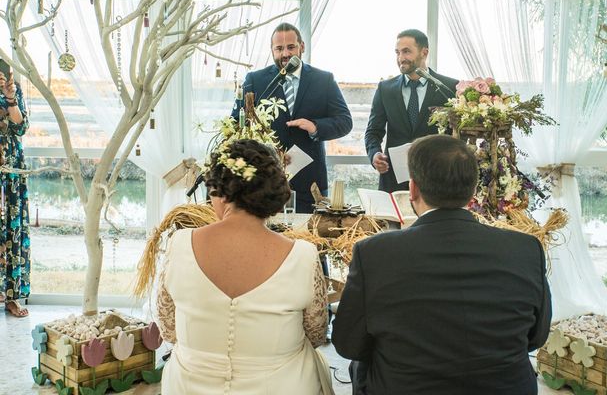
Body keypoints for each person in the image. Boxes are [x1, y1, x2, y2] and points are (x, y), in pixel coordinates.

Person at [332, 134, 551, 395]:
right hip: (505, 387)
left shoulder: (374, 253)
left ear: (412, 189)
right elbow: (536, 338)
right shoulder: (525, 249)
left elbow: (348, 344)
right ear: (473, 191)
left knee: (360, 366)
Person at [157, 139, 333, 394]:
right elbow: (316, 335)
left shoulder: (179, 244)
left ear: (221, 192)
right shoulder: (303, 255)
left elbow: (169, 330)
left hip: (191, 386)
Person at [232, 23, 352, 213]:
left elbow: (345, 122)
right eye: (279, 48)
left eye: (291, 47)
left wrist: (315, 127)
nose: (285, 54)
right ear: (272, 50)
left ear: (302, 46)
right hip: (265, 181)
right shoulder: (255, 80)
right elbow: (236, 126)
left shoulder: (324, 80)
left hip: (311, 183)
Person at [365, 29, 458, 193]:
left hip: (437, 180)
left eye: (406, 51)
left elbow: (457, 135)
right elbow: (373, 132)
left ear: (424, 52)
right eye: (397, 52)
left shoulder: (449, 88)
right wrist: (374, 155)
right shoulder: (385, 89)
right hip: (393, 182)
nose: (401, 58)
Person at [0, 59, 30, 317]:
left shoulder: (14, 89)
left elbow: (21, 127)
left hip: (10, 166)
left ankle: (11, 297)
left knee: (13, 227)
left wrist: (10, 99)